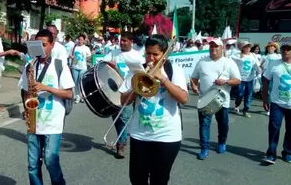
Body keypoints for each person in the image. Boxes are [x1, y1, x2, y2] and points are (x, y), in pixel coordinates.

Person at [118, 34, 188, 185]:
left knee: (159, 179)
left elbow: (183, 98)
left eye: (155, 54)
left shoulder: (174, 70)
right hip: (140, 135)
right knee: (137, 179)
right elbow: (123, 102)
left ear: (164, 54)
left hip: (167, 136)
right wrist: (135, 85)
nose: (151, 58)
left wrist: (163, 79)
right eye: (148, 53)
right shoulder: (137, 71)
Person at [19, 29, 75, 185]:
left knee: (50, 160)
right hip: (34, 121)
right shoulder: (30, 66)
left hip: (53, 122)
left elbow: (69, 94)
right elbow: (25, 90)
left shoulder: (59, 65)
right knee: (32, 165)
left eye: (44, 45)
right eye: (37, 44)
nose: (40, 48)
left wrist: (47, 88)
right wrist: (26, 108)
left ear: (52, 45)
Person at [191, 38, 241, 160]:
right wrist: (194, 86)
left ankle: (222, 142)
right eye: (211, 46)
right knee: (204, 124)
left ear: (222, 48)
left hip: (222, 100)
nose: (213, 48)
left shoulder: (229, 63)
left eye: (216, 46)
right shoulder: (202, 62)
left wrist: (226, 81)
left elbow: (238, 80)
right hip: (205, 100)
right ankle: (204, 148)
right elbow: (194, 77)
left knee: (223, 124)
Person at [103, 31, 145, 158]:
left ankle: (121, 144)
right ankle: (121, 138)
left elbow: (142, 74)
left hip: (128, 92)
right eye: (121, 40)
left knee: (124, 117)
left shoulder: (137, 57)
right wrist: (107, 64)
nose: (122, 42)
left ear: (131, 42)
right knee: (115, 116)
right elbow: (101, 65)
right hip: (113, 91)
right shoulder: (113, 53)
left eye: (125, 40)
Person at [262, 43, 291, 164]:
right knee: (274, 128)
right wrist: (264, 99)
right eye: (284, 49)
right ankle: (271, 153)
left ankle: (288, 152)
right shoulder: (274, 64)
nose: (286, 51)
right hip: (276, 103)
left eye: (288, 49)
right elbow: (266, 81)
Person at [70, 34, 91, 103]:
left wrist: (88, 57)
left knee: (81, 82)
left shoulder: (86, 48)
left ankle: (82, 96)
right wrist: (72, 57)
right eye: (79, 39)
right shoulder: (74, 47)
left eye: (81, 40)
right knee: (75, 82)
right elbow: (70, 54)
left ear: (84, 40)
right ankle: (77, 96)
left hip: (83, 67)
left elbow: (89, 57)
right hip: (75, 67)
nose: (79, 41)